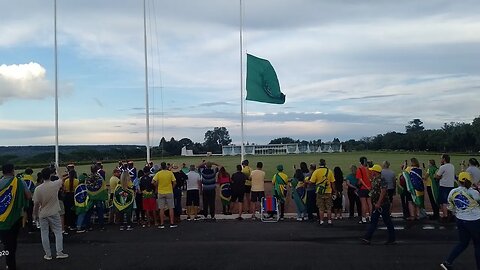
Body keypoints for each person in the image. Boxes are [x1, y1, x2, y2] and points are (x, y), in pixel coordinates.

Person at [440, 172, 480, 270]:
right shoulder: (474, 193)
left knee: (463, 243)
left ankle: (447, 262)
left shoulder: (453, 192)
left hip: (460, 220)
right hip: (474, 221)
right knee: (478, 245)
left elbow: (451, 207)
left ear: (459, 181)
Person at [33, 166, 69, 260]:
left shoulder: (38, 189)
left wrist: (35, 215)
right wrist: (57, 169)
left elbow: (36, 204)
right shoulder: (55, 184)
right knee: (58, 232)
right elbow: (61, 179)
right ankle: (59, 252)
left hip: (43, 213)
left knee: (44, 233)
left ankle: (48, 254)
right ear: (50, 175)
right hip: (54, 212)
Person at [0, 164, 30, 270]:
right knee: (12, 243)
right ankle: (10, 264)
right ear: (13, 171)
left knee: (5, 242)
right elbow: (28, 196)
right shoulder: (19, 182)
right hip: (14, 218)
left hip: (1, 219)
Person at [360, 164, 395, 245]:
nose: (371, 171)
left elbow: (383, 191)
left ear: (375, 171)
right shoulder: (375, 179)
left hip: (382, 204)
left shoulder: (381, 180)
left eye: (372, 170)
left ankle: (392, 238)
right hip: (376, 204)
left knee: (387, 221)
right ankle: (367, 237)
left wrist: (379, 202)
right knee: (374, 221)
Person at [308, 159, 336, 225]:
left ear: (319, 164)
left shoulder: (316, 171)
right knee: (329, 207)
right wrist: (334, 191)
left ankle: (321, 221)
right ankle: (329, 220)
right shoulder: (329, 171)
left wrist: (306, 181)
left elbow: (312, 182)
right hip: (328, 191)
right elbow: (333, 182)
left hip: (319, 191)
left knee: (321, 208)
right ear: (325, 164)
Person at [152, 162, 177, 228]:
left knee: (161, 208)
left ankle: (162, 223)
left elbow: (153, 181)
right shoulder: (170, 173)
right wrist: (172, 187)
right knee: (171, 208)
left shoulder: (158, 174)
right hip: (169, 191)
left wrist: (157, 187)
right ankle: (171, 222)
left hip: (161, 192)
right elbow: (174, 182)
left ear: (161, 167)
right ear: (166, 166)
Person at [435, 154, 456, 223]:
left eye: (441, 158)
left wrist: (439, 177)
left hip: (444, 185)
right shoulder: (452, 166)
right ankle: (451, 215)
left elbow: (437, 176)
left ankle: (445, 216)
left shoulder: (443, 167)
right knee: (450, 201)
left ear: (444, 159)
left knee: (444, 201)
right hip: (451, 185)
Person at [357, 156, 372, 224]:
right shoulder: (369, 169)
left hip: (363, 188)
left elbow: (360, 180)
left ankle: (364, 217)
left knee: (363, 204)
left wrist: (365, 186)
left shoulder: (359, 169)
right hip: (369, 188)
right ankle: (370, 216)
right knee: (369, 203)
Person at [23, 167, 37, 233]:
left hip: (21, 199)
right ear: (31, 173)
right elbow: (33, 190)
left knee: (24, 213)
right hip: (29, 199)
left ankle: (23, 226)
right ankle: (30, 228)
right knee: (29, 214)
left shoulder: (21, 179)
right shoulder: (31, 180)